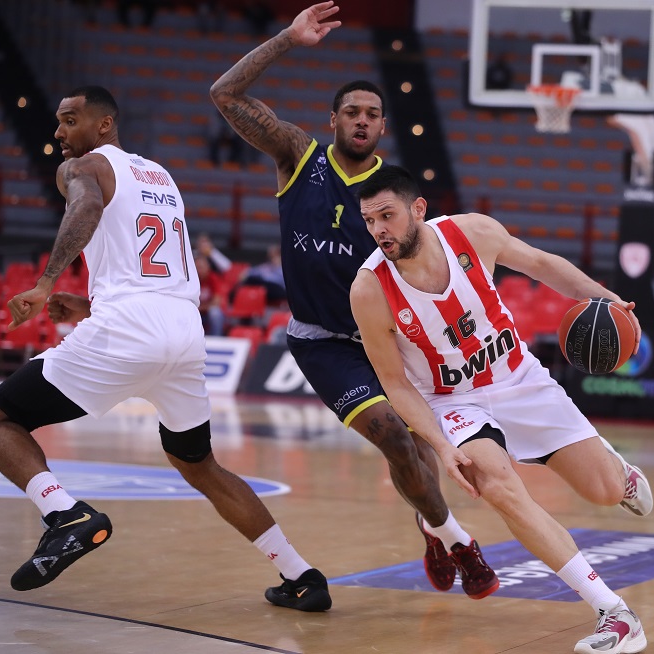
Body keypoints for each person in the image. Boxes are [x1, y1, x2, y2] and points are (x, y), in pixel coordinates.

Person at [0, 86, 332, 611]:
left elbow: (87, 207)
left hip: (128, 331)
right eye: (59, 121)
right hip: (184, 331)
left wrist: (47, 282)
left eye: (70, 120)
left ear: (104, 124)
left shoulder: (83, 168)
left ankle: (64, 514)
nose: (59, 132)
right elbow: (151, 272)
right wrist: (89, 304)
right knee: (200, 464)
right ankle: (302, 575)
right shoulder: (160, 176)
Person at [209, 1, 498, 599]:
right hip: (324, 342)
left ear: (383, 128)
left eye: (371, 115)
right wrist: (287, 40)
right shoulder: (299, 157)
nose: (361, 121)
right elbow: (224, 95)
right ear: (333, 119)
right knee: (394, 436)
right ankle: (458, 540)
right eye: (351, 112)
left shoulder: (393, 194)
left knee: (418, 451)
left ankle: (430, 526)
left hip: (388, 337)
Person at [350, 165, 653, 654]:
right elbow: (394, 383)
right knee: (499, 487)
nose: (379, 229)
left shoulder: (472, 232)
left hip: (519, 378)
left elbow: (542, 264)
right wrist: (441, 445)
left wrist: (606, 299)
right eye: (369, 220)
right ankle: (615, 612)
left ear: (418, 209)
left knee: (603, 491)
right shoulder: (369, 290)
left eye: (387, 215)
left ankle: (618, 472)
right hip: (452, 402)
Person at [195, 254, 227, 335]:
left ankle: (216, 338)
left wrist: (200, 308)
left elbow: (216, 301)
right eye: (196, 268)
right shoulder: (192, 280)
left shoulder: (213, 278)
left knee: (214, 312)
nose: (199, 270)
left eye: (201, 267)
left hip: (209, 311)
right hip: (198, 311)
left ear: (207, 267)